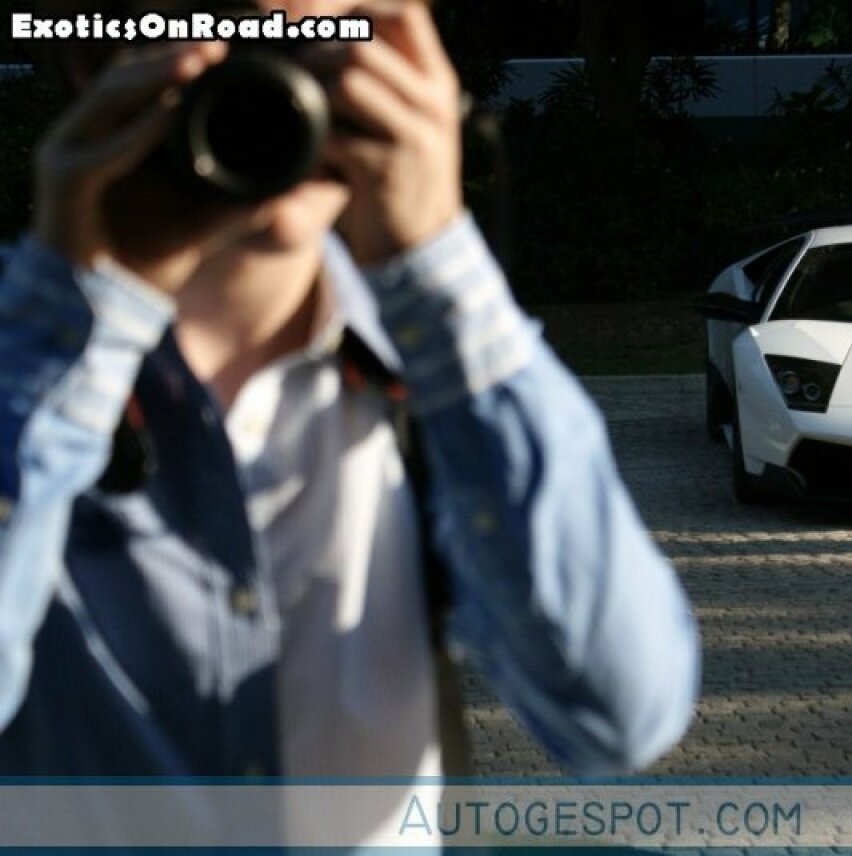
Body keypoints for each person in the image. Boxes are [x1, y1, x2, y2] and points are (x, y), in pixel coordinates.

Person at [0, 0, 699, 839]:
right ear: (92, 63)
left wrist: (439, 269)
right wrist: (75, 324)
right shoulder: (24, 368)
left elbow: (619, 715)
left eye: (329, 44)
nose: (284, 86)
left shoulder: (440, 370)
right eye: (240, 36)